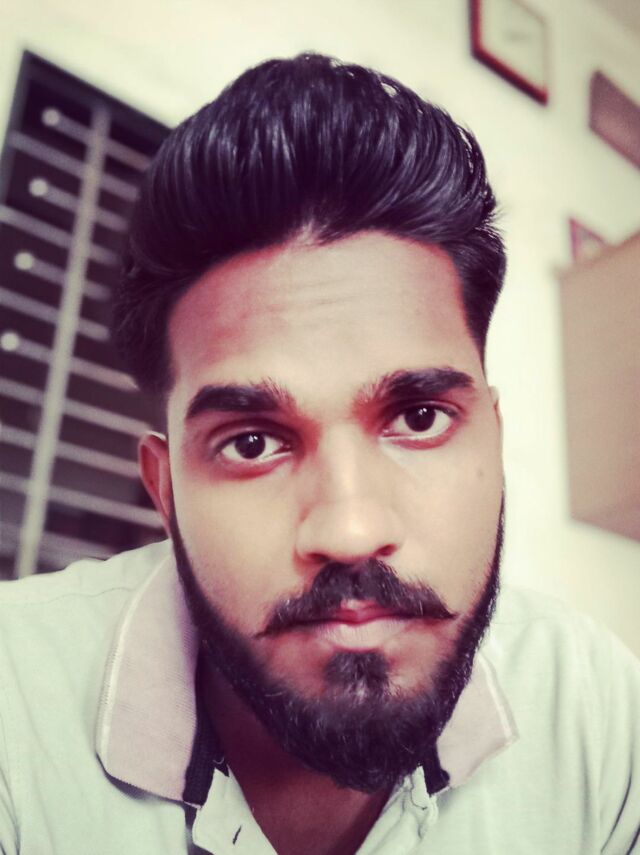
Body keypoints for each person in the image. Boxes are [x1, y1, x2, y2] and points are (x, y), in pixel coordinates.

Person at [0, 53, 638, 855]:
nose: (349, 529)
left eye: (418, 417)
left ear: (495, 439)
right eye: (253, 441)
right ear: (165, 493)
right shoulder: (15, 707)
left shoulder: (596, 713)